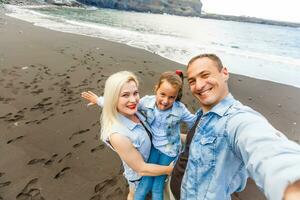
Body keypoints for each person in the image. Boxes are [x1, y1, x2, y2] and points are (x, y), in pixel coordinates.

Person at [169, 53, 300, 200]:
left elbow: (268, 150)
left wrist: (292, 186)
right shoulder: (203, 114)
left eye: (205, 75)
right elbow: (198, 142)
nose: (198, 86)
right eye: (192, 81)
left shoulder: (237, 120)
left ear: (224, 73)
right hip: (177, 190)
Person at [82, 71, 196, 200]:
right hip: (143, 166)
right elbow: (141, 168)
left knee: (155, 188)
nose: (133, 100)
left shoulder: (139, 110)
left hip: (163, 154)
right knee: (139, 189)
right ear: (156, 89)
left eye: (135, 93)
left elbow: (190, 123)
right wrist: (172, 170)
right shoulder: (120, 132)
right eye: (125, 95)